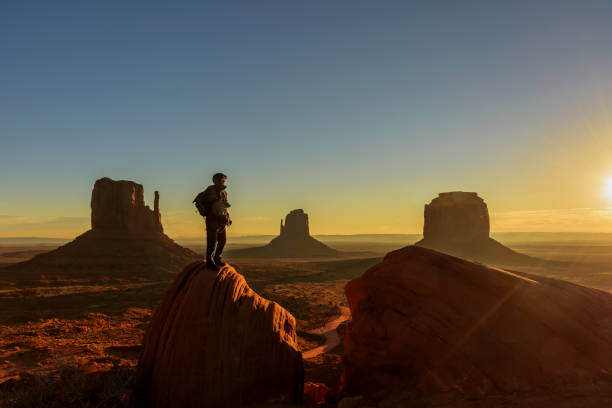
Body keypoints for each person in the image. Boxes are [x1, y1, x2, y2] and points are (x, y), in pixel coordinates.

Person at [197, 172, 231, 270]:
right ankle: (209, 261)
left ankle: (217, 258)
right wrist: (205, 211)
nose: (223, 182)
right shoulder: (210, 190)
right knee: (212, 242)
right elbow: (200, 200)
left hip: (222, 220)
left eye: (224, 180)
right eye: (221, 180)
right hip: (212, 219)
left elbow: (224, 206)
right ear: (215, 181)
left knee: (222, 241)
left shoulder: (224, 193)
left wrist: (228, 218)